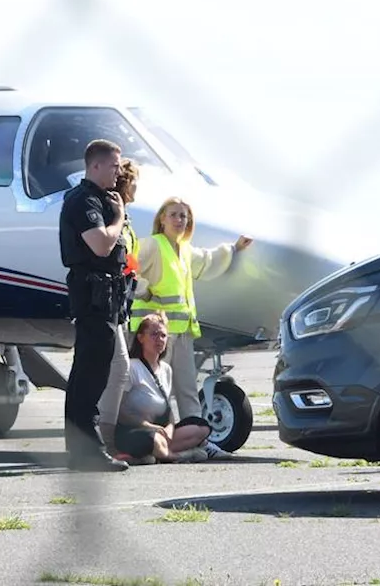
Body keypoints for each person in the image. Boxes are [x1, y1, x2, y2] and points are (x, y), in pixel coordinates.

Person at [129, 197, 252, 426]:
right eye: (173, 214)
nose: (179, 220)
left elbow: (207, 260)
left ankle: (196, 437)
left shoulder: (184, 250)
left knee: (187, 389)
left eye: (183, 216)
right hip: (154, 334)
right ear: (162, 219)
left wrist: (234, 249)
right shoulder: (153, 244)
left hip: (182, 331)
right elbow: (130, 270)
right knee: (155, 388)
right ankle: (159, 437)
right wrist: (145, 292)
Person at [58, 138, 132, 472]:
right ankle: (85, 450)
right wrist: (118, 216)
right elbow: (101, 245)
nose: (119, 171)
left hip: (106, 294)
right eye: (114, 165)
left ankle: (83, 449)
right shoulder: (83, 200)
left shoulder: (101, 198)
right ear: (96, 165)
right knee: (90, 373)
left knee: (98, 370)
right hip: (92, 293)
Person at [116, 311, 213, 464]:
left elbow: (168, 412)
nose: (159, 340)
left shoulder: (166, 369)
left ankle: (158, 453)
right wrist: (148, 426)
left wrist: (169, 429)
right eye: (154, 334)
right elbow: (120, 412)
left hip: (160, 432)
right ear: (140, 338)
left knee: (202, 427)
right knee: (152, 440)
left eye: (163, 335)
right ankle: (178, 456)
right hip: (135, 431)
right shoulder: (132, 367)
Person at [93, 157, 140, 459]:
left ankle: (107, 433)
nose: (138, 188)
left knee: (116, 369)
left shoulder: (126, 217)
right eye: (135, 182)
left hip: (122, 300)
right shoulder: (114, 213)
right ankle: (104, 438)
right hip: (108, 299)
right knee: (118, 367)